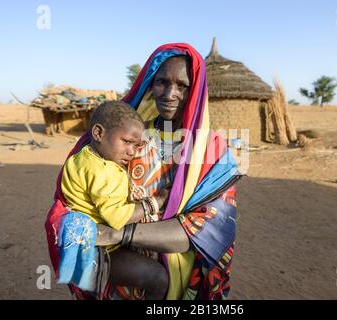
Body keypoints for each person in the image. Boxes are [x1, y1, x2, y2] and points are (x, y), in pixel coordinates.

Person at [45, 43, 241, 300]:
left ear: (196, 91)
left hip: (175, 276)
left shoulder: (212, 153)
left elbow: (200, 232)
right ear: (150, 83)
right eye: (161, 82)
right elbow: (78, 192)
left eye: (182, 85)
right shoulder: (129, 136)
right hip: (119, 275)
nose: (170, 93)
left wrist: (117, 233)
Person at [57, 100, 170, 299]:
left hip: (85, 240)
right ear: (98, 133)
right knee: (158, 277)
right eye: (126, 142)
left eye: (136, 146)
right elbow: (116, 217)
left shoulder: (83, 156)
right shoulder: (102, 171)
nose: (132, 152)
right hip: (98, 249)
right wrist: (156, 202)